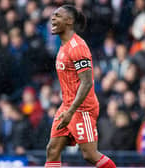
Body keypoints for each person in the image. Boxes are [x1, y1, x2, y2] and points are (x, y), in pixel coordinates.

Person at [45, 5, 116, 168]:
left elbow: (87, 82)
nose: (52, 18)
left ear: (69, 21)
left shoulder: (78, 47)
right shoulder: (63, 46)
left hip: (82, 108)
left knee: (90, 154)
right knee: (52, 149)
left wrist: (71, 111)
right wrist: (67, 109)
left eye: (57, 15)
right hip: (67, 106)